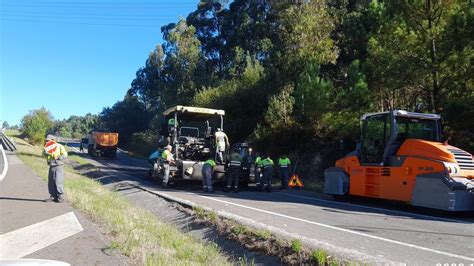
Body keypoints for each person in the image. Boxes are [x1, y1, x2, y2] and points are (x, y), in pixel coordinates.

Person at [43, 137, 68, 203]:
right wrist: (46, 153)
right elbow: (43, 154)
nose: (47, 142)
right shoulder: (47, 147)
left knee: (58, 181)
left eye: (48, 140)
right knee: (51, 181)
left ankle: (60, 197)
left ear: (53, 140)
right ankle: (53, 196)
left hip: (58, 165)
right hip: (51, 165)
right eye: (46, 141)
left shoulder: (59, 146)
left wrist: (59, 157)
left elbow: (65, 154)